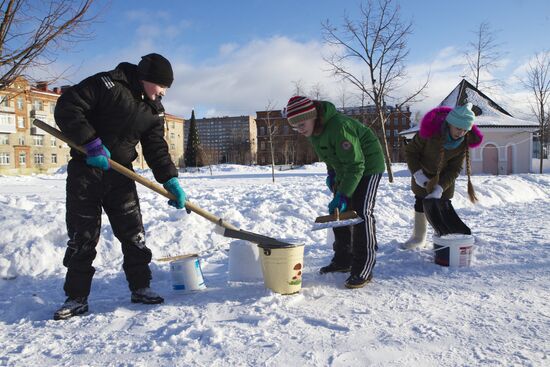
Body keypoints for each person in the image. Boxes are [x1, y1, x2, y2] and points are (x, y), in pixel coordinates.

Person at [52, 53, 187, 320]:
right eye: (161, 86)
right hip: (85, 173)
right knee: (83, 236)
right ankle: (76, 297)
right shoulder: (107, 85)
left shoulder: (154, 110)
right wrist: (90, 142)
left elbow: (156, 147)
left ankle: (141, 287)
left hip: (121, 176)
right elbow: (67, 107)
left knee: (133, 234)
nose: (162, 93)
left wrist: (169, 179)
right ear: (147, 79)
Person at [285, 96, 385, 289]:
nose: (300, 129)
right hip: (347, 168)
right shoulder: (314, 132)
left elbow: (357, 165)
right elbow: (330, 157)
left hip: (369, 166)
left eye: (302, 123)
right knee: (338, 214)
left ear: (312, 116)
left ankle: (363, 267)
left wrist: (344, 194)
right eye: (295, 126)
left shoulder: (340, 127)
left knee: (361, 213)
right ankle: (343, 259)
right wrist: (332, 175)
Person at [400, 102, 483, 249]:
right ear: (449, 124)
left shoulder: (463, 142)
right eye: (458, 128)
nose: (461, 133)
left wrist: (439, 188)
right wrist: (418, 175)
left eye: (465, 130)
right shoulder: (429, 133)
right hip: (422, 174)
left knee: (443, 205)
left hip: (444, 179)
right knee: (421, 202)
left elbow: (454, 169)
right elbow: (410, 152)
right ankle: (419, 237)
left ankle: (447, 236)